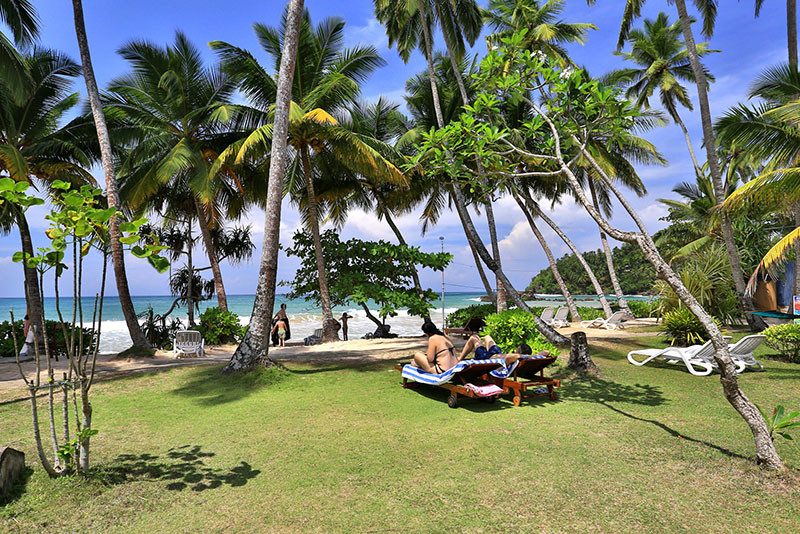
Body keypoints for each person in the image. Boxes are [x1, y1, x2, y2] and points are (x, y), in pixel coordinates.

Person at [460, 334, 530, 366]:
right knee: (487, 337)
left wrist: (523, 355)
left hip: (486, 357)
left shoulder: (514, 357)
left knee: (474, 337)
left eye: (518, 348)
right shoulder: (515, 357)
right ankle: (483, 348)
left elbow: (518, 356)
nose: (516, 348)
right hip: (496, 353)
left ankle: (459, 359)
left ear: (519, 351)